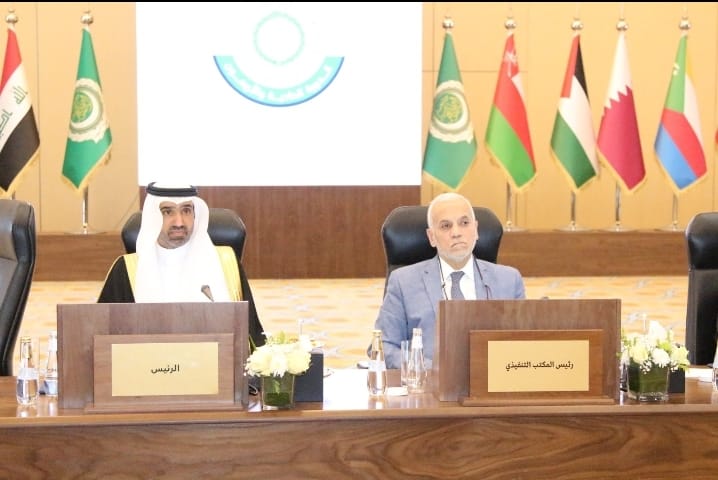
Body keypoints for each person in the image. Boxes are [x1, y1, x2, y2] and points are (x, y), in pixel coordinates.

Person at [98, 182, 266, 348]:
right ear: (153, 217)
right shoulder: (127, 270)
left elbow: (252, 339)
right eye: (167, 212)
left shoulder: (226, 262)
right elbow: (103, 342)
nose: (179, 222)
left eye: (186, 210)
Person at [373, 192, 525, 369]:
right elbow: (382, 346)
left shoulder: (509, 280)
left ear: (476, 229)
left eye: (464, 223)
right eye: (446, 226)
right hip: (429, 381)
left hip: (490, 379)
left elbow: (523, 344)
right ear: (432, 237)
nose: (456, 233)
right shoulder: (403, 282)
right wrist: (431, 369)